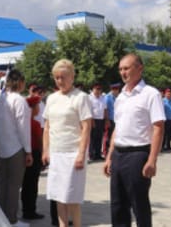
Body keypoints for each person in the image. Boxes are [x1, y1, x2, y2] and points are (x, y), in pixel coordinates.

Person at [103, 53, 165, 227]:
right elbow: (118, 128)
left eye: (127, 68)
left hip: (138, 154)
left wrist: (152, 160)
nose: (123, 72)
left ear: (140, 68)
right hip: (119, 154)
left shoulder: (150, 94)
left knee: (139, 204)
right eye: (120, 69)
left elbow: (158, 127)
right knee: (117, 205)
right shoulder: (120, 97)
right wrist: (109, 157)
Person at [42, 59, 92, 227]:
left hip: (73, 153)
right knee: (58, 196)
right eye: (56, 77)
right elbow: (47, 127)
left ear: (72, 76)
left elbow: (86, 128)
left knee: (72, 197)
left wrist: (81, 154)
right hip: (56, 153)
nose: (60, 81)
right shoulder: (51, 99)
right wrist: (45, 150)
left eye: (63, 77)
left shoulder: (81, 97)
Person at [0, 69, 33, 227]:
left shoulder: (0, 99)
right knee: (14, 186)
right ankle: (11, 220)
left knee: (2, 183)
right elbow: (23, 128)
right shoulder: (19, 100)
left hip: (2, 147)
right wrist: (28, 150)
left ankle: (0, 216)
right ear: (20, 82)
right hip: (16, 148)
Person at [21, 95, 45, 220]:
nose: (39, 109)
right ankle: (30, 210)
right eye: (37, 106)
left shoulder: (22, 122)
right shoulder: (35, 124)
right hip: (34, 153)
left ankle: (26, 209)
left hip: (24, 153)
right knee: (32, 184)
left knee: (26, 184)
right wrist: (42, 155)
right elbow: (40, 142)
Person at [89, 83, 108, 160]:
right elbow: (89, 111)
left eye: (99, 89)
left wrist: (106, 120)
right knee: (93, 138)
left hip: (101, 120)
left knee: (99, 137)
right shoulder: (89, 98)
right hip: (93, 120)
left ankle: (98, 154)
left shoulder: (102, 98)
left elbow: (105, 109)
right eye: (96, 88)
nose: (98, 90)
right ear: (93, 89)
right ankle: (92, 155)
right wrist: (92, 121)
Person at [104, 83, 121, 156]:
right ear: (111, 89)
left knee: (117, 135)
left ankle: (114, 150)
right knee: (109, 136)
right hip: (110, 119)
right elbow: (106, 109)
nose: (116, 91)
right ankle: (106, 152)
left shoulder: (120, 96)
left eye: (117, 89)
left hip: (118, 119)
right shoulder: (107, 97)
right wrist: (107, 120)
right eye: (114, 89)